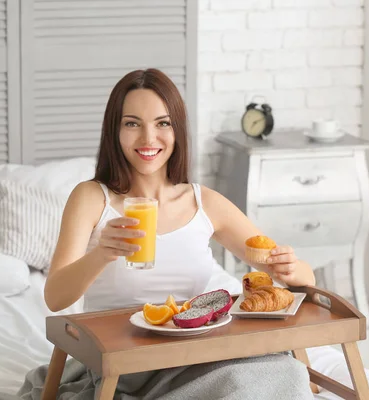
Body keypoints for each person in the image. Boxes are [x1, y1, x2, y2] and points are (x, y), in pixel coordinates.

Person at [41, 68, 316, 399]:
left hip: (198, 354)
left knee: (286, 371)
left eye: (162, 123)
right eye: (132, 123)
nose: (148, 138)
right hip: (127, 364)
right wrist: (102, 253)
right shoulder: (91, 198)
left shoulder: (205, 203)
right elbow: (55, 297)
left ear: (177, 130)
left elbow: (292, 276)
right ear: (114, 131)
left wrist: (291, 267)